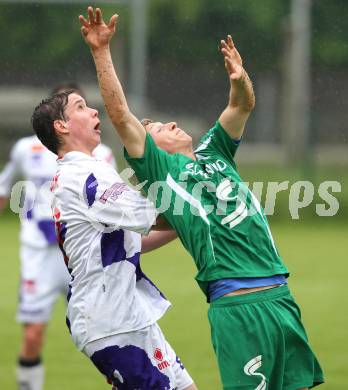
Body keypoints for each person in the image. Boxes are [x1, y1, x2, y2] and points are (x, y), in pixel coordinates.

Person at [79, 7, 324, 389]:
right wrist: (101, 51)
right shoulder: (162, 170)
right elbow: (121, 115)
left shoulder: (215, 152)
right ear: (152, 150)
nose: (172, 124)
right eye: (160, 128)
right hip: (240, 307)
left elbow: (241, 105)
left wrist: (240, 79)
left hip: (282, 298)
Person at [31, 84, 197, 390]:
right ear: (61, 126)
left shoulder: (88, 169)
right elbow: (153, 216)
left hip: (128, 316)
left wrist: (187, 221)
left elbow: (131, 241)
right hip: (110, 321)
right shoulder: (82, 176)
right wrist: (199, 199)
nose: (94, 110)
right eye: (81, 107)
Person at [0, 83, 116, 390]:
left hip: (81, 257)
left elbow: (111, 205)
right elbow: (4, 190)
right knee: (33, 334)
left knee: (107, 335)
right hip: (39, 254)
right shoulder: (26, 149)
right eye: (75, 106)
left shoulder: (101, 154)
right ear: (57, 119)